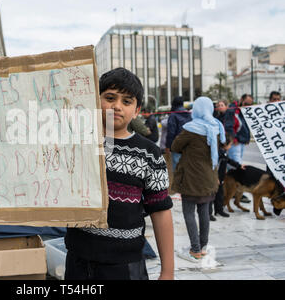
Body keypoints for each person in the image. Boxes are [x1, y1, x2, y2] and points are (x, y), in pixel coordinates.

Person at [64, 67, 174, 280]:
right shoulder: (77, 142)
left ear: (137, 110)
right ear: (96, 100)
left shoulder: (148, 153)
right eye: (110, 97)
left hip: (125, 266)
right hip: (78, 261)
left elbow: (160, 210)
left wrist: (167, 272)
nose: (117, 106)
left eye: (126, 101)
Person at [171, 96, 225, 262]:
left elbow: (175, 146)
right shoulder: (216, 127)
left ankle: (194, 250)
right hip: (209, 177)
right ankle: (202, 247)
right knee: (204, 212)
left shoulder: (191, 129)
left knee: (189, 212)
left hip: (191, 178)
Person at [209, 133, 246, 221]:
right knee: (211, 197)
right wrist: (215, 178)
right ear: (225, 144)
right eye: (230, 144)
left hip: (221, 179)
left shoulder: (224, 153)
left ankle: (219, 210)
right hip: (215, 178)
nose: (231, 146)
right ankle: (208, 213)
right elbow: (214, 166)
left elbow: (229, 161)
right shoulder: (217, 153)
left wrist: (238, 165)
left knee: (220, 195)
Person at [224, 94, 253, 203]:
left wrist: (245, 138)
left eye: (249, 104)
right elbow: (229, 126)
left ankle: (234, 191)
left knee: (234, 166)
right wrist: (234, 139)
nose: (247, 106)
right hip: (235, 142)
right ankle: (237, 192)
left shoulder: (241, 110)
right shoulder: (233, 110)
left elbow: (245, 125)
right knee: (236, 166)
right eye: (246, 103)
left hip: (240, 141)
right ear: (241, 100)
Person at [165, 96, 192, 171]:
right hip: (188, 146)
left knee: (177, 169)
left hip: (177, 145)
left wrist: (168, 146)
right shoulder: (189, 114)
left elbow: (171, 132)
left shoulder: (173, 115)